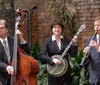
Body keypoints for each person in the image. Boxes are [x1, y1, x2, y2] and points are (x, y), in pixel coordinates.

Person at [40, 20, 78, 85]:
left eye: (59, 27)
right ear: (52, 29)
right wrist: (52, 60)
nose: (57, 29)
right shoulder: (48, 41)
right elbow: (41, 56)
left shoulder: (66, 40)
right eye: (55, 27)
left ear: (61, 29)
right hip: (54, 72)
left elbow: (73, 54)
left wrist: (75, 44)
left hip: (66, 73)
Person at [0, 19, 30, 85]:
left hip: (16, 77)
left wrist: (21, 39)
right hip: (1, 78)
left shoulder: (13, 41)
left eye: (2, 28)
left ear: (6, 30)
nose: (0, 29)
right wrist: (6, 67)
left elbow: (27, 52)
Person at [82, 17, 100, 85]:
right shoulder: (89, 40)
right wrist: (85, 55)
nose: (96, 27)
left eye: (99, 25)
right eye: (95, 25)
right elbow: (88, 60)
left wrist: (98, 48)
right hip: (94, 76)